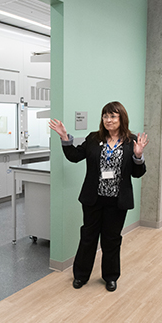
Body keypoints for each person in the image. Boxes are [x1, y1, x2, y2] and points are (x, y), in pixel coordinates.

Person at [49, 101, 148, 292]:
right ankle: (81, 275)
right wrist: (64, 137)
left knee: (111, 239)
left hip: (117, 201)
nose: (108, 120)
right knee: (88, 236)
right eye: (105, 116)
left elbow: (137, 173)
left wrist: (138, 156)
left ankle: (110, 277)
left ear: (121, 118)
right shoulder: (94, 138)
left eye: (112, 116)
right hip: (93, 198)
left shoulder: (131, 141)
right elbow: (75, 156)